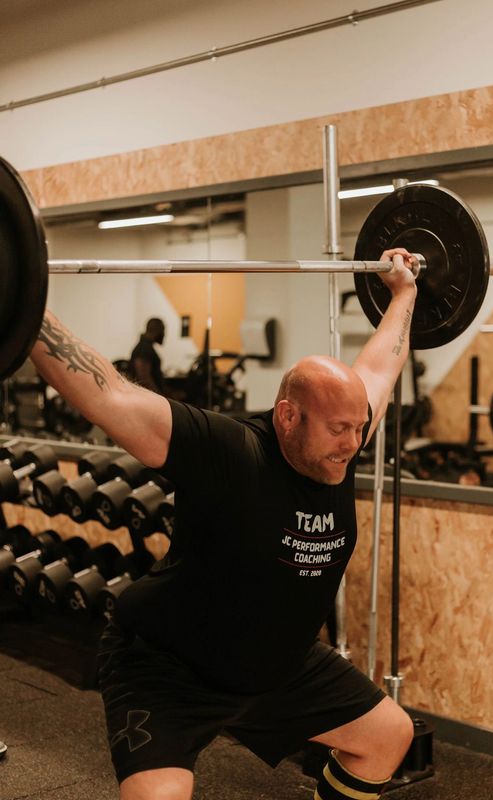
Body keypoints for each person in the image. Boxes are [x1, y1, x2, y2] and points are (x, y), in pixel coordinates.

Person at [30, 248, 418, 800]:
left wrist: (404, 293)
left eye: (359, 429)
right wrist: (24, 298)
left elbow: (380, 367)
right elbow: (107, 395)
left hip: (276, 666)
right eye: (339, 429)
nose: (353, 444)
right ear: (288, 415)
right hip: (169, 666)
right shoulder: (227, 449)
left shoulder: (342, 437)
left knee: (388, 736)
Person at [128, 317, 166, 393]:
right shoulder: (144, 348)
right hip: (149, 397)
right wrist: (161, 397)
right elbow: (144, 378)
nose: (163, 334)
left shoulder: (145, 346)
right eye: (163, 330)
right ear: (157, 330)